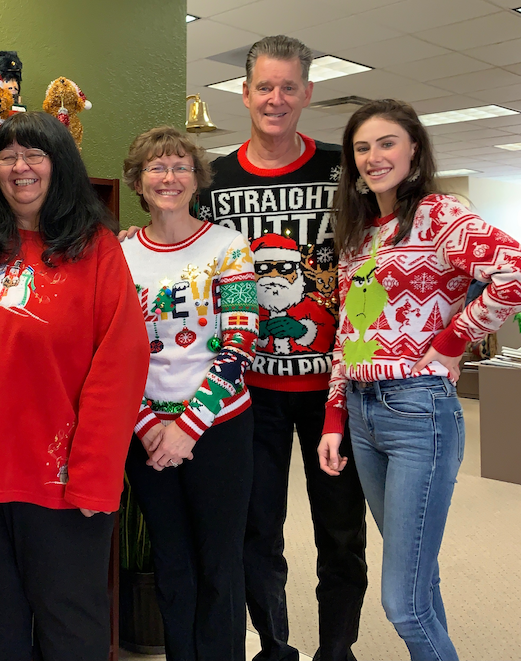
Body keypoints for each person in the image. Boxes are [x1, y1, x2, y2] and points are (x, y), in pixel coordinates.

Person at [0, 111, 149, 661]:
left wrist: (96, 479)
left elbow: (119, 367)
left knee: (72, 627)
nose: (20, 167)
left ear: (61, 166)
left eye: (35, 154)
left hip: (61, 479)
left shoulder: (96, 249)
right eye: (6, 156)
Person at [318, 99, 521, 661]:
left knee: (402, 603)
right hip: (361, 414)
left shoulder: (441, 214)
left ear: (414, 149)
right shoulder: (360, 232)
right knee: (418, 580)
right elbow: (347, 333)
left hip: (417, 412)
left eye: (387, 143)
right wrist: (335, 415)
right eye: (362, 147)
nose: (373, 157)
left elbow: (513, 271)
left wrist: (453, 341)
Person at [196, 35, 368, 661]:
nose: (275, 99)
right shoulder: (212, 179)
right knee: (257, 531)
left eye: (288, 87)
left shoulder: (342, 168)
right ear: (244, 94)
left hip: (334, 394)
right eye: (264, 87)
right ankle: (274, 647)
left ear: (307, 94)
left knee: (341, 534)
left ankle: (336, 650)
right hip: (248, 392)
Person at [121, 127, 259, 661]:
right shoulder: (120, 253)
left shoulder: (228, 247)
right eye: (157, 167)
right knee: (171, 562)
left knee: (219, 564)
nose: (169, 177)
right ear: (138, 180)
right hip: (148, 433)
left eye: (180, 166)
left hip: (219, 429)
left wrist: (187, 427)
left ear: (197, 179)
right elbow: (108, 350)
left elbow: (241, 340)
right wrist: (148, 425)